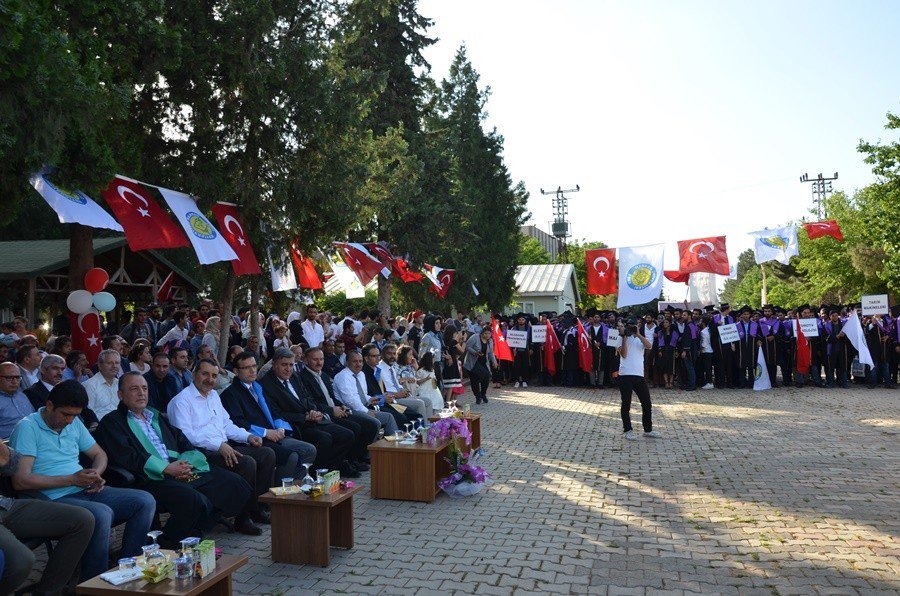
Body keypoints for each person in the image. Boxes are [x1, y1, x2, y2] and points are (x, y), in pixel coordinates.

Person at [10, 381, 156, 580]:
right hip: (50, 498)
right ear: (50, 405)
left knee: (144, 500)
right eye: (66, 414)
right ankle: (94, 581)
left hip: (82, 488)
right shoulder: (28, 427)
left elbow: (99, 454)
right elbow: (22, 481)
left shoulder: (74, 423)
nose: (70, 421)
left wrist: (96, 474)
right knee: (101, 514)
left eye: (75, 415)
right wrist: (71, 480)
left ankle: (126, 568)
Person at [96, 372, 253, 544]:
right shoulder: (112, 422)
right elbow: (127, 456)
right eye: (134, 389)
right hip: (150, 478)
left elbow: (182, 441)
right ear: (120, 395)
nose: (141, 393)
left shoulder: (154, 416)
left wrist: (186, 465)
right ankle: (168, 542)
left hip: (180, 470)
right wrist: (166, 468)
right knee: (194, 501)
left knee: (236, 485)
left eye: (145, 388)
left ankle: (193, 532)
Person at [167, 359, 274, 535]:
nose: (210, 379)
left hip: (223, 446)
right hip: (199, 454)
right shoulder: (182, 401)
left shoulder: (214, 396)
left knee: (266, 454)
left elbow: (227, 425)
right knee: (247, 463)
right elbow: (186, 437)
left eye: (214, 375)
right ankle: (242, 517)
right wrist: (219, 445)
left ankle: (257, 508)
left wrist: (248, 436)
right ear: (194, 375)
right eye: (205, 374)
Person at [0, 439, 95, 595]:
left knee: (82, 519)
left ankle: (48, 592)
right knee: (21, 560)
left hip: (5, 504)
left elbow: (12, 465)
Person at [255, 349, 359, 477]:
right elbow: (277, 414)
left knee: (347, 434)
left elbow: (307, 397)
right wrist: (304, 417)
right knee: (324, 439)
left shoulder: (294, 376)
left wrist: (313, 410)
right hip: (295, 426)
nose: (288, 369)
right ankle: (316, 474)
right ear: (275, 364)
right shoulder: (266, 385)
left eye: (291, 365)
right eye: (284, 365)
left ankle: (329, 470)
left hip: (312, 418)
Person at [222, 351, 320, 476]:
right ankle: (278, 492)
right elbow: (238, 423)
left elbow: (274, 411)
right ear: (236, 371)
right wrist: (266, 433)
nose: (252, 371)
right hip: (255, 439)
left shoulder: (257, 387)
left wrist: (281, 428)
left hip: (274, 434)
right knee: (290, 456)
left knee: (309, 450)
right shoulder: (231, 394)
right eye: (247, 368)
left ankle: (296, 486)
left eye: (254, 366)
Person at [299, 347, 378, 469]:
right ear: (306, 361)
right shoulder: (302, 378)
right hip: (323, 414)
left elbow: (331, 397)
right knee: (353, 429)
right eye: (315, 359)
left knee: (370, 425)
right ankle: (341, 464)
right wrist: (332, 410)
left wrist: (341, 406)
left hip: (335, 410)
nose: (319, 362)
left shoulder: (324, 376)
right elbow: (312, 403)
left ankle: (355, 459)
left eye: (321, 359)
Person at [332, 351, 398, 435]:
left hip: (362, 407)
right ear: (347, 363)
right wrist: (367, 412)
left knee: (389, 416)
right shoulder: (343, 376)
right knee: (375, 423)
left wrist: (370, 399)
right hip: (349, 411)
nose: (358, 364)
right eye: (355, 361)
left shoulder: (361, 374)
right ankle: (371, 448)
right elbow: (350, 401)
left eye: (360, 361)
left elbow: (363, 395)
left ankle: (394, 445)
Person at [617, 318, 660, 441]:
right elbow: (624, 354)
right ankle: (628, 430)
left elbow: (649, 346)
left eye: (634, 325)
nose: (631, 328)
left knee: (647, 403)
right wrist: (624, 336)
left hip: (639, 375)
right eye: (629, 326)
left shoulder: (639, 337)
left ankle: (648, 430)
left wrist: (638, 334)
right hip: (625, 375)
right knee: (626, 403)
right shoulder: (620, 338)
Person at [377, 343, 428, 417]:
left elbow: (397, 384)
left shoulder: (391, 368)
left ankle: (431, 427)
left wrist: (403, 390)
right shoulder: (379, 369)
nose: (392, 356)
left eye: (394, 354)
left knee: (427, 401)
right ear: (382, 355)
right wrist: (396, 394)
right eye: (389, 354)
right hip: (392, 399)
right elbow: (381, 390)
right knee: (420, 404)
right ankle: (423, 428)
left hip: (402, 395)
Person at [82, 349, 122, 420]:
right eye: (110, 363)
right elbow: (88, 414)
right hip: (102, 427)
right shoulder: (89, 385)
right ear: (100, 365)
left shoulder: (121, 384)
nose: (114, 366)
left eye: (117, 363)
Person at [0, 361, 34, 439]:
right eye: (9, 378)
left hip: (33, 438)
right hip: (8, 444)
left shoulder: (22, 395)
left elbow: (34, 417)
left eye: (18, 377)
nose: (15, 382)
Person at [464, 327, 498, 404]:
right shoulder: (475, 337)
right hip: (473, 362)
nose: (487, 335)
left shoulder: (490, 341)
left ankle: (483, 394)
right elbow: (467, 346)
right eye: (485, 333)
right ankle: (477, 396)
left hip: (483, 362)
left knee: (487, 377)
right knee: (477, 378)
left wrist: (494, 361)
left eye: (489, 334)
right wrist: (475, 352)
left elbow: (491, 353)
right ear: (482, 333)